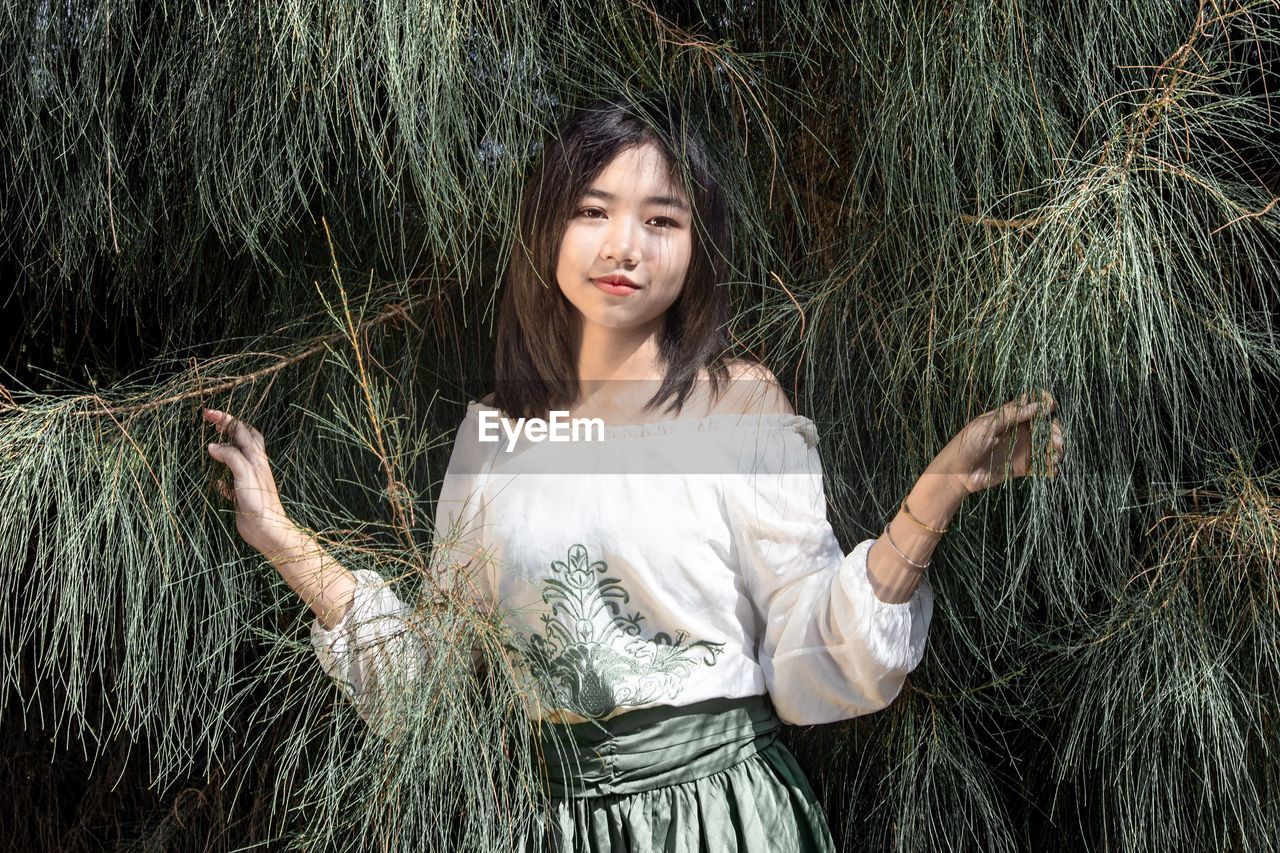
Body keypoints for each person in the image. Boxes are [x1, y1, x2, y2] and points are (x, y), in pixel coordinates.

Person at [202, 94, 1066, 851]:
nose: (625, 245)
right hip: (550, 826)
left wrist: (932, 499)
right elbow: (439, 687)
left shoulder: (741, 405)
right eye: (593, 210)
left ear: (696, 247)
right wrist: (284, 541)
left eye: (662, 219)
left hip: (720, 819)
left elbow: (809, 650)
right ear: (549, 228)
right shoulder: (494, 435)